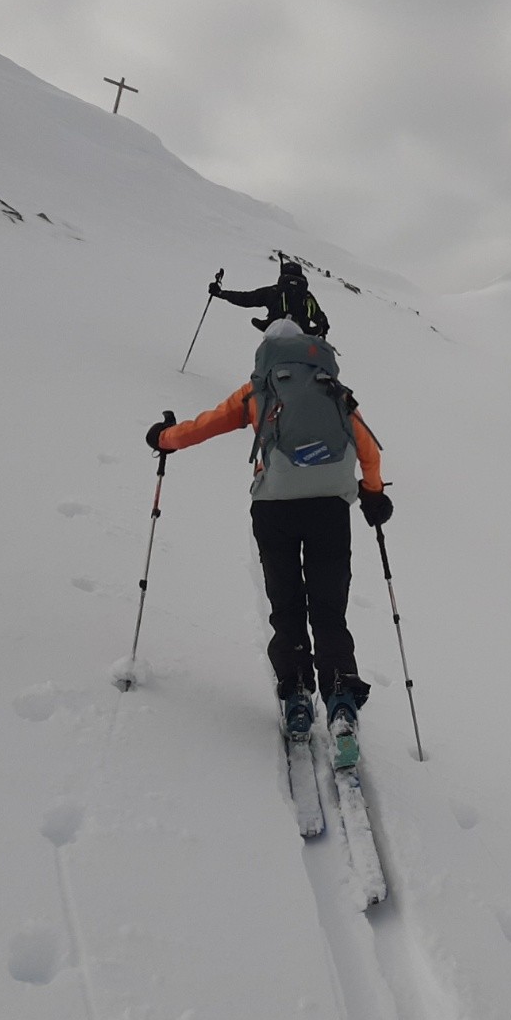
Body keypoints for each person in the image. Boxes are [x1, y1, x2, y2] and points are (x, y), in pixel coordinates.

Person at [144, 311, 392, 744]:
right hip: (330, 508)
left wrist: (165, 438)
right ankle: (340, 699)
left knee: (286, 597)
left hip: (275, 508)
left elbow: (204, 426)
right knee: (329, 604)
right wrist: (372, 493)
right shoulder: (333, 389)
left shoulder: (258, 390)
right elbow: (367, 446)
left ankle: (296, 694)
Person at [210, 257, 331, 338]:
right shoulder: (307, 296)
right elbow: (320, 318)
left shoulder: (274, 291)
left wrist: (221, 293)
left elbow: (246, 298)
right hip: (302, 340)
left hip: (274, 336)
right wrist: (323, 328)